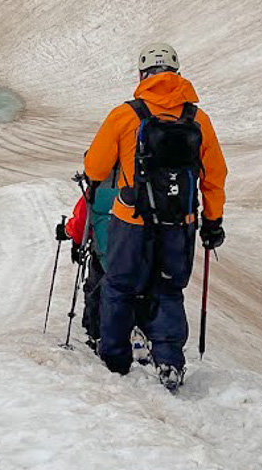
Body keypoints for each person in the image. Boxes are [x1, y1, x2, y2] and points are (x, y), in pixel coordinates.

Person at [79, 42, 227, 391]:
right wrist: (212, 222)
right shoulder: (198, 120)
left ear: (142, 75)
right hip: (179, 224)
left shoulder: (125, 115)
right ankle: (170, 360)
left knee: (119, 287)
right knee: (168, 289)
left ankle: (115, 359)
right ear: (177, 74)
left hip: (130, 221)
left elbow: (95, 168)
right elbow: (214, 176)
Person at [54, 181, 152, 356]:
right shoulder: (139, 184)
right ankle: (139, 331)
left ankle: (95, 332)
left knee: (96, 290)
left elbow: (80, 222)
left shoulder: (95, 190)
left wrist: (68, 234)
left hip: (103, 255)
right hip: (134, 253)